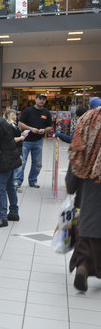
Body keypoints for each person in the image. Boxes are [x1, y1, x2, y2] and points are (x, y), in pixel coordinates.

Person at [66, 108, 101, 292]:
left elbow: (77, 151)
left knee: (88, 233)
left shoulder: (90, 118)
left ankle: (83, 266)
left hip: (91, 187)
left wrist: (71, 184)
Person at [14, 94, 53, 189]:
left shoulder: (46, 113)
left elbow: (50, 127)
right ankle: (17, 181)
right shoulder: (28, 111)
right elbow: (20, 124)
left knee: (37, 163)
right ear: (36, 99)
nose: (42, 101)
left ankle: (32, 181)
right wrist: (31, 129)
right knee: (22, 162)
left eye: (44, 99)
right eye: (40, 99)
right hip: (25, 141)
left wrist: (44, 130)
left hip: (38, 141)